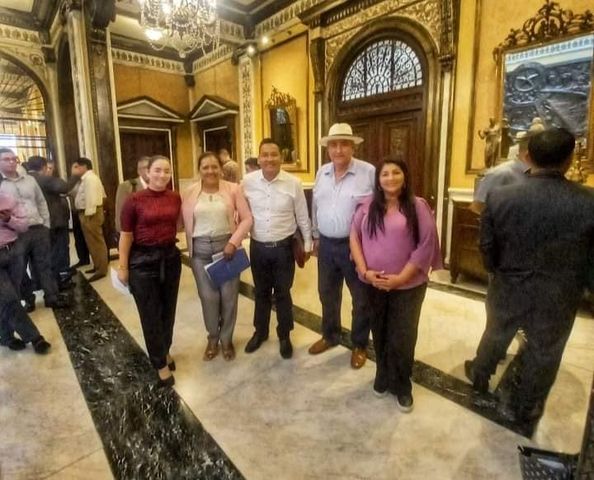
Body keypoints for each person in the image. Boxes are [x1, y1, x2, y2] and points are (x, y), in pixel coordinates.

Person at [465, 128, 594, 426]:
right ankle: (525, 406)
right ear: (568, 159)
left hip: (508, 282)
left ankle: (480, 375)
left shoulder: (501, 196)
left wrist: (495, 270)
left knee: (496, 332)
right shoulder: (588, 201)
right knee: (545, 349)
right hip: (560, 291)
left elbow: (486, 244)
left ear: (529, 157)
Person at [350, 158, 441, 412]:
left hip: (408, 286)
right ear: (378, 180)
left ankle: (402, 384)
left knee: (402, 335)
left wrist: (401, 278)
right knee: (379, 331)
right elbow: (354, 237)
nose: (390, 178)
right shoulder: (367, 206)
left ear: (405, 176)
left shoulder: (417, 206)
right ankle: (382, 374)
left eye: (396, 172)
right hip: (373, 283)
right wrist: (364, 271)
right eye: (385, 174)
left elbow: (426, 245)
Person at [308, 123, 375, 369]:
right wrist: (315, 235)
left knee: (361, 298)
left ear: (353, 146)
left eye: (344, 144)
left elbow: (379, 209)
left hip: (355, 247)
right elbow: (315, 206)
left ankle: (359, 344)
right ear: (328, 148)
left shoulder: (368, 172)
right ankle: (330, 335)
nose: (338, 150)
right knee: (327, 293)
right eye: (333, 145)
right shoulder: (322, 173)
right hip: (326, 245)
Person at [242, 138, 312, 359]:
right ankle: (260, 332)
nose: (269, 159)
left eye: (274, 154)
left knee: (283, 293)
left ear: (281, 157)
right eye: (265, 155)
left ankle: (284, 335)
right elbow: (240, 211)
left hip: (284, 249)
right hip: (258, 247)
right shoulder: (247, 182)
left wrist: (308, 243)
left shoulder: (294, 183)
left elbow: (302, 215)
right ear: (259, 158)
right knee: (261, 292)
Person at [182, 152, 252, 361]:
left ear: (221, 169)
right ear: (199, 170)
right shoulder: (189, 192)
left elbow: (247, 219)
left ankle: (226, 339)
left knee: (229, 298)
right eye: (205, 167)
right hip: (200, 251)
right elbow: (179, 220)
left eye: (214, 166)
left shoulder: (233, 189)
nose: (210, 171)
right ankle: (212, 338)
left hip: (226, 250)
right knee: (208, 297)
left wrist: (233, 242)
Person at [118, 155, 182, 387]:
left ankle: (164, 349)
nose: (162, 175)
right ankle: (159, 363)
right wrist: (123, 266)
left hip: (170, 258)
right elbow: (126, 236)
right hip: (142, 262)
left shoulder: (175, 197)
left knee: (168, 311)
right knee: (150, 314)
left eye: (167, 171)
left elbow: (177, 225)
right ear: (147, 172)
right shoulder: (133, 200)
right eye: (157, 170)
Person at [0, 148, 67, 310]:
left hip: (38, 229)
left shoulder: (29, 180)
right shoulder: (1, 184)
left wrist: (46, 224)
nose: (11, 162)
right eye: (6, 159)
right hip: (15, 233)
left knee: (45, 264)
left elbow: (41, 201)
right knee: (19, 269)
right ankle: (28, 299)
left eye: (14, 159)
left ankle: (52, 296)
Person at [0, 190, 51, 354]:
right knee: (9, 299)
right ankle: (35, 337)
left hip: (13, 253)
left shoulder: (8, 199)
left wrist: (8, 219)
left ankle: (5, 336)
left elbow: (23, 226)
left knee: (9, 298)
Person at [26, 156, 72, 288]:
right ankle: (56, 283)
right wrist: (75, 175)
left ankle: (38, 282)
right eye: (48, 168)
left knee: (36, 255)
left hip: (33, 224)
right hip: (51, 222)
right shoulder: (43, 179)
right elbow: (65, 187)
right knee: (54, 253)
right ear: (44, 167)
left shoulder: (24, 180)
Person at [71, 158, 108, 282]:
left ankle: (101, 269)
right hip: (88, 213)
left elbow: (92, 199)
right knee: (91, 242)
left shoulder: (90, 179)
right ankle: (97, 265)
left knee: (96, 242)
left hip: (91, 214)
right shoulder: (87, 178)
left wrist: (88, 216)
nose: (76, 170)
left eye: (77, 167)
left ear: (84, 167)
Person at [115, 156, 149, 235]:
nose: (149, 171)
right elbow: (120, 213)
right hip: (133, 235)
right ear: (139, 171)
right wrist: (123, 235)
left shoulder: (158, 187)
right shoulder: (127, 186)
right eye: (146, 168)